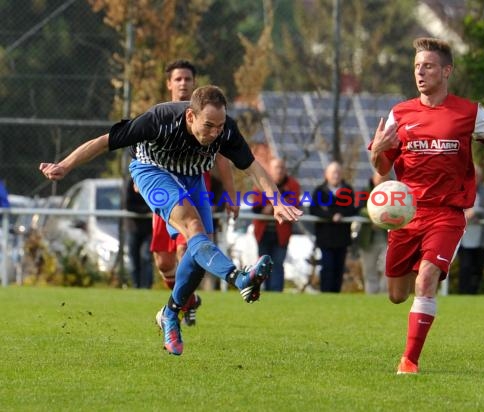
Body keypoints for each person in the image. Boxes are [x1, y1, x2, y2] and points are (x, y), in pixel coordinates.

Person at [39, 85, 303, 356]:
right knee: (193, 228)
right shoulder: (159, 119)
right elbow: (105, 141)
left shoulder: (225, 130)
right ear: (190, 116)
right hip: (152, 171)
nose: (215, 133)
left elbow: (252, 166)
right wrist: (65, 165)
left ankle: (169, 313)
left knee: (199, 252)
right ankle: (240, 278)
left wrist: (277, 200)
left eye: (220, 126)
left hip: (192, 177)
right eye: (209, 126)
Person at [369, 37, 484, 374]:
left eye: (427, 66)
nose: (420, 72)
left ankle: (409, 362)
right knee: (397, 295)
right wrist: (377, 149)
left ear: (447, 71)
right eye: (417, 67)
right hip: (406, 215)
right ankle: (418, 277)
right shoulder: (400, 113)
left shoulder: (469, 112)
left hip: (447, 214)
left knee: (426, 280)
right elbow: (382, 167)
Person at [151, 59, 236, 327]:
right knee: (164, 263)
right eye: (178, 79)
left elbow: (224, 157)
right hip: (164, 191)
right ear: (169, 84)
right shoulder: (161, 116)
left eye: (188, 79)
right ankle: (188, 301)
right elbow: (138, 146)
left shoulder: (209, 119)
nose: (183, 83)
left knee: (188, 245)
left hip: (194, 191)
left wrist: (231, 195)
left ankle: (172, 310)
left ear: (194, 83)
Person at [251, 158, 301, 292]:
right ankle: (260, 291)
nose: (279, 171)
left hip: (282, 233)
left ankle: (276, 292)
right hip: (263, 232)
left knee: (278, 264)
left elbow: (294, 206)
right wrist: (275, 207)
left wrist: (272, 208)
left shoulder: (293, 185)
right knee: (262, 264)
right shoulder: (260, 182)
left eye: (281, 167)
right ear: (270, 170)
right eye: (276, 168)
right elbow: (256, 207)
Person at [309, 161, 358, 293]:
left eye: (338, 172)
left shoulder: (347, 190)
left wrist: (341, 214)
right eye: (333, 172)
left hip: (342, 237)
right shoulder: (320, 191)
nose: (335, 175)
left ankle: (336, 294)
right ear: (326, 175)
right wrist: (331, 216)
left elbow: (352, 209)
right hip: (325, 238)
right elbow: (314, 210)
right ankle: (325, 293)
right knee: (327, 267)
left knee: (339, 268)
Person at [457, 165, 484, 294]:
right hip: (462, 237)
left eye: (477, 176)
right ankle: (463, 293)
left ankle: (474, 293)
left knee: (478, 268)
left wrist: (477, 212)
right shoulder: (459, 190)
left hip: (481, 237)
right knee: (465, 266)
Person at [358, 172, 388, 294]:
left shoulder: (395, 192)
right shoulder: (364, 191)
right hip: (368, 239)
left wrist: (382, 219)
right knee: (369, 269)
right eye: (378, 178)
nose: (380, 181)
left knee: (388, 268)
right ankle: (371, 296)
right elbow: (359, 209)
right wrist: (375, 217)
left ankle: (384, 295)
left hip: (388, 238)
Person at [124, 178, 154, 289]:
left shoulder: (153, 181)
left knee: (146, 257)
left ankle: (146, 286)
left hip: (149, 229)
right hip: (133, 228)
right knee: (133, 259)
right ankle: (136, 285)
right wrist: (147, 210)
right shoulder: (131, 182)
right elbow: (129, 205)